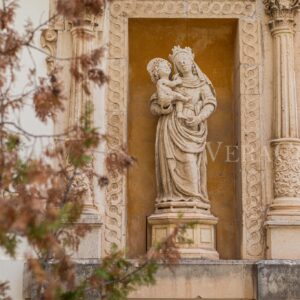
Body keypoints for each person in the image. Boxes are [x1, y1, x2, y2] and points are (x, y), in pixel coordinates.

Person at [149, 46, 217, 212]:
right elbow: (154, 105)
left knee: (190, 162)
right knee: (172, 163)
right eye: (179, 62)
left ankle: (194, 200)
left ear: (191, 61)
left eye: (185, 60)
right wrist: (164, 108)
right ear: (176, 66)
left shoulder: (202, 83)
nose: (183, 64)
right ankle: (171, 199)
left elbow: (210, 102)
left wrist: (199, 117)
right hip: (171, 128)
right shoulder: (172, 83)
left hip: (192, 127)